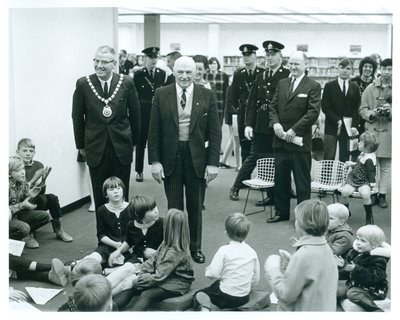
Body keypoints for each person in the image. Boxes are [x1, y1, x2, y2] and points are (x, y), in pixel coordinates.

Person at [148, 56, 221, 264]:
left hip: (197, 157)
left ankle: (195, 247)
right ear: (174, 72)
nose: (185, 76)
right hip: (170, 157)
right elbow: (153, 131)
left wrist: (213, 163)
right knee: (174, 207)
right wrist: (155, 161)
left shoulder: (207, 95)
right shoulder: (162, 94)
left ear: (196, 73)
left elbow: (215, 133)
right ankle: (175, 249)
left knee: (196, 206)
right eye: (180, 72)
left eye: (189, 72)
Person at [72, 45, 141, 211]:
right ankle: (102, 235)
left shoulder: (126, 82)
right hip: (95, 147)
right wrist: (81, 145)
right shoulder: (83, 84)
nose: (99, 65)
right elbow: (77, 117)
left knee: (121, 192)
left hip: (121, 145)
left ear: (114, 63)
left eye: (104, 61)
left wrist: (134, 142)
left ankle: (123, 234)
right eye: (96, 60)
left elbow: (136, 114)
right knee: (100, 194)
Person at [229, 40, 290, 203]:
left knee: (276, 160)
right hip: (261, 124)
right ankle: (236, 186)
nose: (269, 58)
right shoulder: (262, 75)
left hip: (279, 124)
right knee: (254, 156)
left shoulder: (287, 75)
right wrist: (248, 124)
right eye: (267, 54)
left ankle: (272, 194)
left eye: (273, 54)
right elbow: (251, 101)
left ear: (280, 56)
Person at [268, 51, 321, 223]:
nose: (293, 67)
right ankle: (281, 213)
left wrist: (293, 130)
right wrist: (275, 123)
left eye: (297, 63)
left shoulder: (312, 85)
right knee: (281, 180)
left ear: (306, 65)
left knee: (302, 183)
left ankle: (303, 218)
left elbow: (313, 113)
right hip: (280, 141)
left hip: (299, 142)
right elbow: (273, 106)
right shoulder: (282, 83)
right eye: (291, 63)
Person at [264, 200, 338, 311]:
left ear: (301, 224)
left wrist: (273, 270)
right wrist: (292, 264)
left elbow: (286, 295)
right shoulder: (325, 246)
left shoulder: (303, 255)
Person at [115, 209, 195, 311]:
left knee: (147, 294)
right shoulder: (167, 242)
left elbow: (158, 277)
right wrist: (141, 271)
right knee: (134, 288)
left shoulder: (175, 252)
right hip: (165, 275)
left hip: (177, 283)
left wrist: (136, 281)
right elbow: (154, 258)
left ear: (169, 228)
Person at [193, 212, 260, 311]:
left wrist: (208, 272)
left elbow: (213, 274)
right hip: (243, 298)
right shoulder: (252, 252)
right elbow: (256, 278)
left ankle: (207, 308)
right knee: (217, 285)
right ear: (246, 234)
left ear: (226, 232)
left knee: (199, 294)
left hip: (226, 296)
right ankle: (234, 310)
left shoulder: (223, 250)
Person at [16, 138, 73, 242]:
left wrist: (43, 180)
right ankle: (28, 233)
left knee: (51, 198)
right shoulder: (15, 167)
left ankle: (59, 230)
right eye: (24, 151)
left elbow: (41, 192)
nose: (28, 154)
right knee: (36, 200)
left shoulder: (38, 165)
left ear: (34, 152)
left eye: (31, 151)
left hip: (33, 199)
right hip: (21, 203)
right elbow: (17, 194)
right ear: (18, 152)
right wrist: (33, 180)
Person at [359, 58, 392, 209]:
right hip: (372, 132)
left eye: (390, 69)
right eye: (385, 69)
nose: (387, 72)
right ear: (380, 69)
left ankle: (383, 194)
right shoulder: (370, 88)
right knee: (370, 164)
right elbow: (362, 109)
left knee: (385, 166)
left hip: (389, 132)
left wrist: (390, 112)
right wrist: (372, 114)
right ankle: (372, 192)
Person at [336, 225, 389, 312]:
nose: (358, 242)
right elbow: (349, 272)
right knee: (335, 291)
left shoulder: (378, 259)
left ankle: (375, 310)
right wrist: (343, 266)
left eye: (363, 241)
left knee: (352, 294)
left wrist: (354, 269)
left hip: (373, 289)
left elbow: (373, 277)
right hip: (355, 285)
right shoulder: (357, 254)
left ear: (374, 245)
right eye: (357, 239)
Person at [134, 46, 167, 183]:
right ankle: (139, 171)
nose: (154, 60)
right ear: (145, 58)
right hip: (143, 112)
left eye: (156, 57)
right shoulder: (138, 75)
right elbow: (135, 96)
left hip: (157, 112)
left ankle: (161, 169)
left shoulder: (162, 74)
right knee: (141, 143)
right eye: (151, 57)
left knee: (159, 142)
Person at [230, 44, 265, 172]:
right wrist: (239, 109)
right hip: (243, 114)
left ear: (255, 55)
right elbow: (233, 95)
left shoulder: (262, 73)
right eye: (244, 55)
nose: (246, 57)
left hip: (259, 114)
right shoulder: (239, 74)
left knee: (261, 146)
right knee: (245, 146)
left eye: (249, 54)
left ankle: (262, 177)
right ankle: (245, 177)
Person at [81, 177, 131, 266]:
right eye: (111, 189)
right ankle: (70, 267)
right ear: (106, 194)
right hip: (107, 247)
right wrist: (115, 244)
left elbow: (135, 232)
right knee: (89, 262)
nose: (116, 191)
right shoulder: (102, 210)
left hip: (128, 248)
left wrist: (124, 247)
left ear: (123, 191)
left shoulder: (131, 208)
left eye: (118, 188)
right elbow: (101, 235)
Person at [322, 58, 361, 162]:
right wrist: (337, 119)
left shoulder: (355, 87)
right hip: (331, 126)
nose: (345, 70)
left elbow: (356, 108)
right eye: (342, 67)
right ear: (338, 69)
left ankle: (342, 178)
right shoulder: (329, 86)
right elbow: (325, 107)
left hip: (348, 128)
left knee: (344, 157)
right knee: (328, 157)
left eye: (348, 68)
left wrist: (354, 126)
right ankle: (326, 178)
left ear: (352, 71)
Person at [108, 194, 163, 266]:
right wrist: (118, 251)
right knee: (128, 267)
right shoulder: (131, 225)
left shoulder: (163, 224)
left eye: (155, 207)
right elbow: (128, 242)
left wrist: (157, 253)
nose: (156, 211)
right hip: (137, 258)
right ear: (138, 214)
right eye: (151, 210)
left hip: (158, 259)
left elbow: (171, 246)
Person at [9, 155, 51, 248]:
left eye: (22, 169)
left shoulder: (22, 182)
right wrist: (21, 206)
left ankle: (24, 235)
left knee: (45, 216)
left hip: (17, 215)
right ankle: (11, 240)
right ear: (9, 173)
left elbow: (30, 194)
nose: (22, 173)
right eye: (17, 170)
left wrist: (42, 181)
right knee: (24, 228)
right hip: (8, 219)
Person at [340, 131, 379, 225]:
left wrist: (373, 185)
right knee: (344, 192)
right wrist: (352, 164)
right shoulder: (362, 154)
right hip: (353, 178)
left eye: (361, 142)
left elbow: (371, 173)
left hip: (364, 181)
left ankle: (369, 216)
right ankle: (346, 211)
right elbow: (359, 165)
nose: (358, 143)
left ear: (367, 146)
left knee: (365, 194)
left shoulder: (370, 159)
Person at [219, 85, 240, 170]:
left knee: (233, 139)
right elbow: (230, 104)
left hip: (231, 115)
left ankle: (223, 160)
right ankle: (238, 164)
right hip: (233, 116)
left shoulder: (230, 88)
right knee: (236, 140)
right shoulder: (232, 88)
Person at [206, 57, 229, 126]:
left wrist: (226, 106)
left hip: (220, 104)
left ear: (217, 65)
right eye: (210, 64)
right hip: (208, 104)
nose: (212, 65)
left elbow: (226, 91)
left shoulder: (224, 75)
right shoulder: (205, 75)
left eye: (214, 63)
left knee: (218, 125)